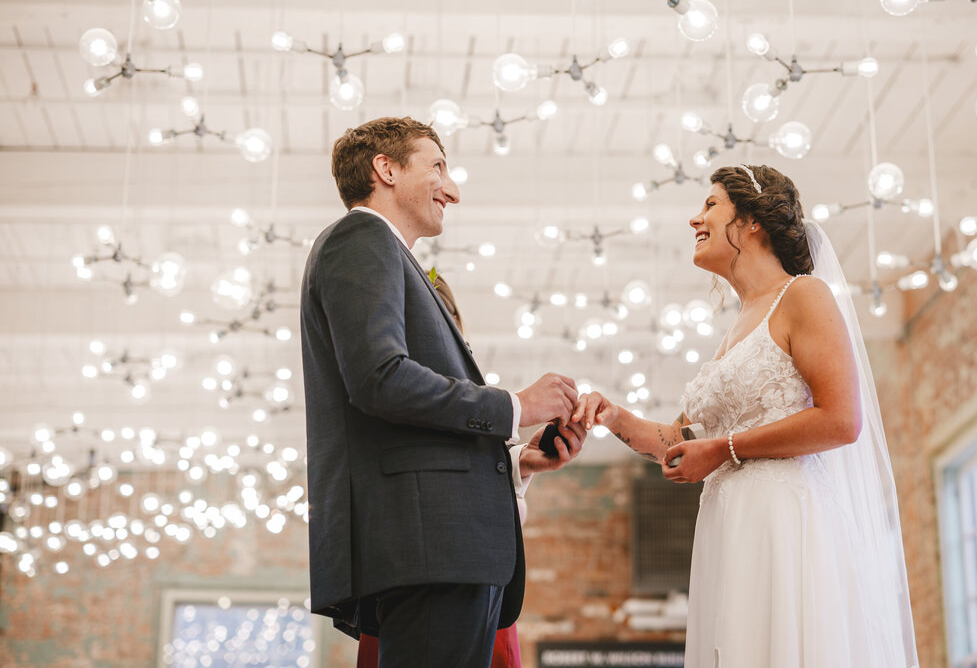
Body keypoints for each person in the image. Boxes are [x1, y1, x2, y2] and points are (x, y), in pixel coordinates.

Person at [574, 164, 919, 667]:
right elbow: (677, 438)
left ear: (753, 220)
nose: (696, 218)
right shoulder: (734, 329)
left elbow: (842, 419)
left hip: (784, 520)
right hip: (729, 526)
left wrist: (722, 449)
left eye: (710, 205)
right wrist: (611, 414)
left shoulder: (803, 295)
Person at [301, 116, 582, 668]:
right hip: (430, 546)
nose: (452, 189)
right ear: (386, 169)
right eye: (437, 167)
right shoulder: (361, 238)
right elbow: (380, 379)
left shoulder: (389, 253)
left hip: (441, 545)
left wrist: (514, 462)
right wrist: (516, 405)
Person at [354, 272, 585, 668]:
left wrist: (519, 465)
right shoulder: (398, 406)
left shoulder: (467, 412)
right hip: (428, 593)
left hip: (485, 599)